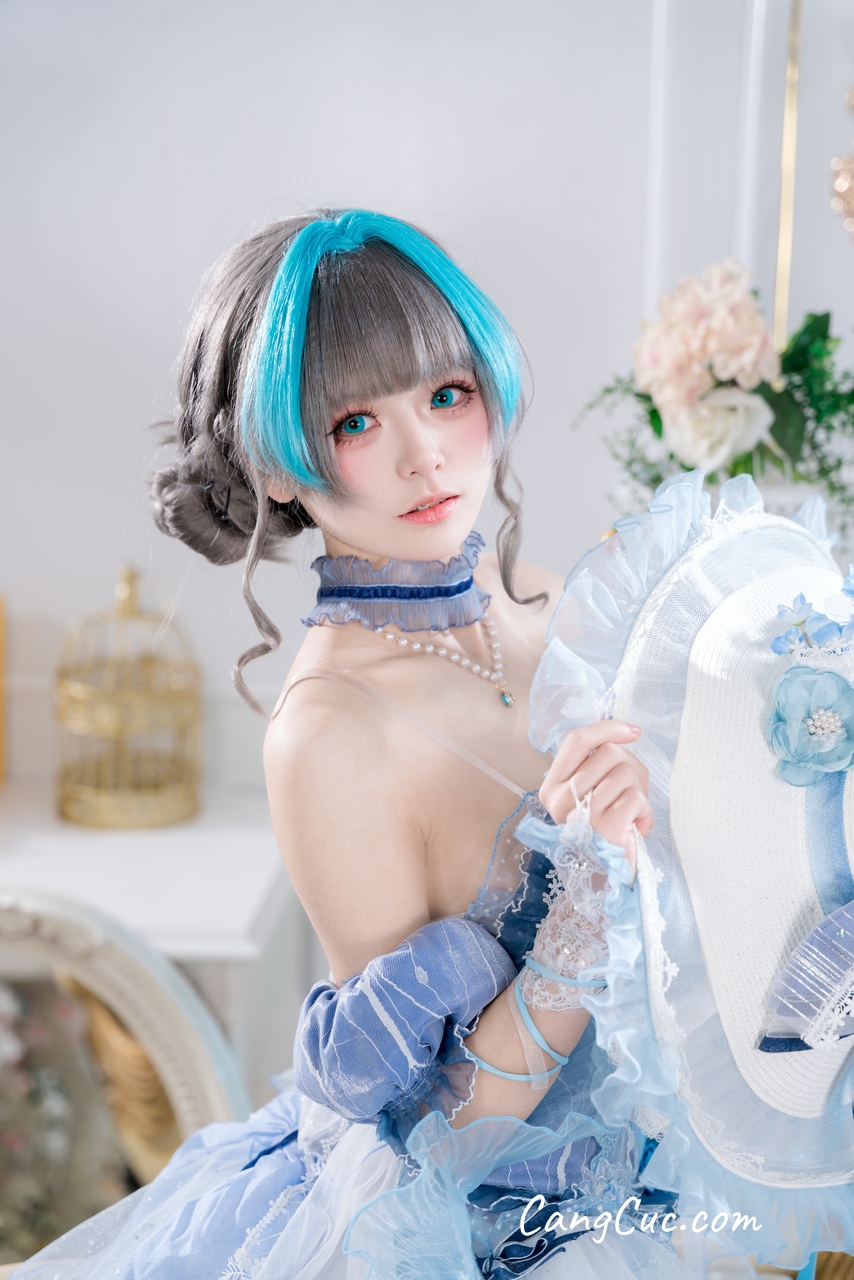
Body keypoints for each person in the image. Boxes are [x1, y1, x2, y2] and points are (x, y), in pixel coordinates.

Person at [13, 210, 686, 1280]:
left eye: (446, 394)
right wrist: (580, 918)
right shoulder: (327, 733)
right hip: (492, 1230)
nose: (425, 453)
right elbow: (438, 1134)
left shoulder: (552, 600)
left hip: (661, 1154)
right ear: (277, 467)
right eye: (357, 422)